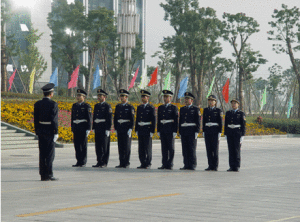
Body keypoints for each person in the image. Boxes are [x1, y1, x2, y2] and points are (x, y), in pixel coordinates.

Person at [34, 83, 59, 181]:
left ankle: (42, 174)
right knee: (49, 154)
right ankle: (49, 174)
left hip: (41, 130)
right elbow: (54, 120)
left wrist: (37, 131)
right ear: (51, 93)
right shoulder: (53, 104)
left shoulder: (38, 104)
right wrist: (56, 132)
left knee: (42, 153)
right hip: (49, 131)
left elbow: (35, 119)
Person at [178, 92, 200, 170]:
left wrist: (197, 131)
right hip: (184, 131)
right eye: (185, 99)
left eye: (188, 99)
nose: (186, 100)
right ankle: (186, 164)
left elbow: (198, 121)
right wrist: (180, 131)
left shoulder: (195, 109)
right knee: (185, 149)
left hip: (191, 131)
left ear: (192, 100)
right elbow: (180, 121)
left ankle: (193, 164)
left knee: (191, 149)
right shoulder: (182, 109)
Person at [157, 90, 178, 170]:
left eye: (167, 97)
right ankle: (164, 163)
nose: (165, 98)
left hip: (170, 130)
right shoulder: (160, 107)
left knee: (171, 148)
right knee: (164, 148)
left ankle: (170, 163)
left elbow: (175, 120)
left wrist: (175, 131)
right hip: (163, 130)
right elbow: (159, 119)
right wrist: (158, 130)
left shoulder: (173, 107)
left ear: (170, 98)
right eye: (164, 97)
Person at [114, 89, 135, 168]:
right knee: (120, 146)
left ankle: (126, 162)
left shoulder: (130, 107)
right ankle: (121, 162)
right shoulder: (118, 106)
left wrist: (130, 129)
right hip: (120, 128)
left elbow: (132, 119)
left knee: (126, 146)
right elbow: (115, 118)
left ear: (126, 97)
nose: (122, 98)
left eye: (123, 96)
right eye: (121, 96)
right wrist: (115, 128)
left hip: (126, 128)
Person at [71, 89, 92, 167]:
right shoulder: (74, 105)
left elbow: (89, 118)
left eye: (80, 96)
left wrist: (88, 129)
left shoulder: (86, 106)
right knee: (76, 145)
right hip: (76, 127)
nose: (78, 97)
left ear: (84, 97)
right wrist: (72, 128)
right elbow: (72, 117)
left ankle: (83, 161)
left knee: (83, 145)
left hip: (83, 127)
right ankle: (78, 161)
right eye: (77, 95)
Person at [135, 90, 156, 169]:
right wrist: (136, 129)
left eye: (144, 97)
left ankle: (148, 163)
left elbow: (153, 120)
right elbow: (137, 119)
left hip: (147, 129)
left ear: (148, 98)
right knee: (141, 147)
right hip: (141, 129)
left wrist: (152, 131)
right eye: (142, 97)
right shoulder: (139, 107)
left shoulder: (151, 107)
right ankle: (142, 163)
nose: (143, 98)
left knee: (147, 147)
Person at [224, 99, 246, 172]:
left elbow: (243, 125)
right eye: (232, 103)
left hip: (237, 133)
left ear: (238, 104)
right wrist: (225, 133)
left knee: (236, 150)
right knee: (231, 150)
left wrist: (242, 135)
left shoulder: (241, 113)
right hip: (230, 133)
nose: (233, 105)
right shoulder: (228, 113)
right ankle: (231, 166)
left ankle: (236, 166)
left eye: (235, 103)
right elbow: (226, 124)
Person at [92, 89, 112, 168]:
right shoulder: (96, 105)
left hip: (104, 128)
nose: (99, 97)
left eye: (100, 96)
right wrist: (93, 127)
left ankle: (104, 162)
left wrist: (108, 129)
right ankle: (99, 161)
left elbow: (109, 118)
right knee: (98, 146)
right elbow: (94, 117)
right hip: (97, 127)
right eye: (98, 96)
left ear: (105, 97)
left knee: (104, 146)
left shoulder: (107, 106)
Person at [202, 95, 223, 171]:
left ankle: (215, 165)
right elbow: (204, 121)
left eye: (212, 100)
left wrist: (220, 132)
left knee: (215, 149)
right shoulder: (206, 110)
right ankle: (210, 165)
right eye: (209, 100)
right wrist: (203, 131)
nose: (210, 102)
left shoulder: (218, 110)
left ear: (215, 102)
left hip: (215, 131)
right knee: (208, 149)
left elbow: (220, 122)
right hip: (208, 131)